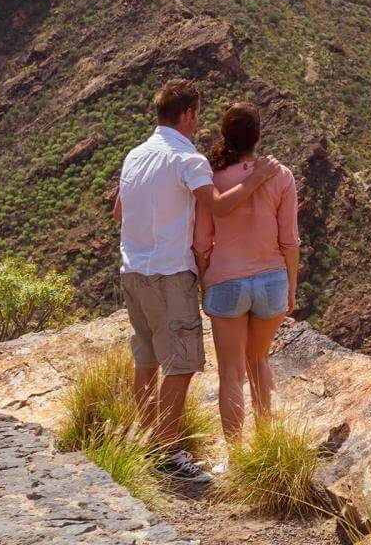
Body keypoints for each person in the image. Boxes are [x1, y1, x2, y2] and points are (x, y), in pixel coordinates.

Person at [114, 79, 280, 483]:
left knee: (147, 360)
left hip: (133, 270)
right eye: (197, 113)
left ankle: (149, 442)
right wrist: (257, 179)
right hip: (168, 273)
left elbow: (120, 211)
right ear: (187, 114)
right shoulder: (187, 158)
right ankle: (167, 455)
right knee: (182, 364)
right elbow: (219, 207)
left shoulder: (135, 155)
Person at [193, 102, 300, 447]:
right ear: (259, 136)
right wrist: (292, 287)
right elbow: (290, 241)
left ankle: (237, 457)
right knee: (258, 361)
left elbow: (201, 243)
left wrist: (206, 279)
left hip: (226, 281)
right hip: (272, 281)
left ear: (226, 136)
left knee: (230, 374)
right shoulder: (280, 175)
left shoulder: (211, 178)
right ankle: (266, 447)